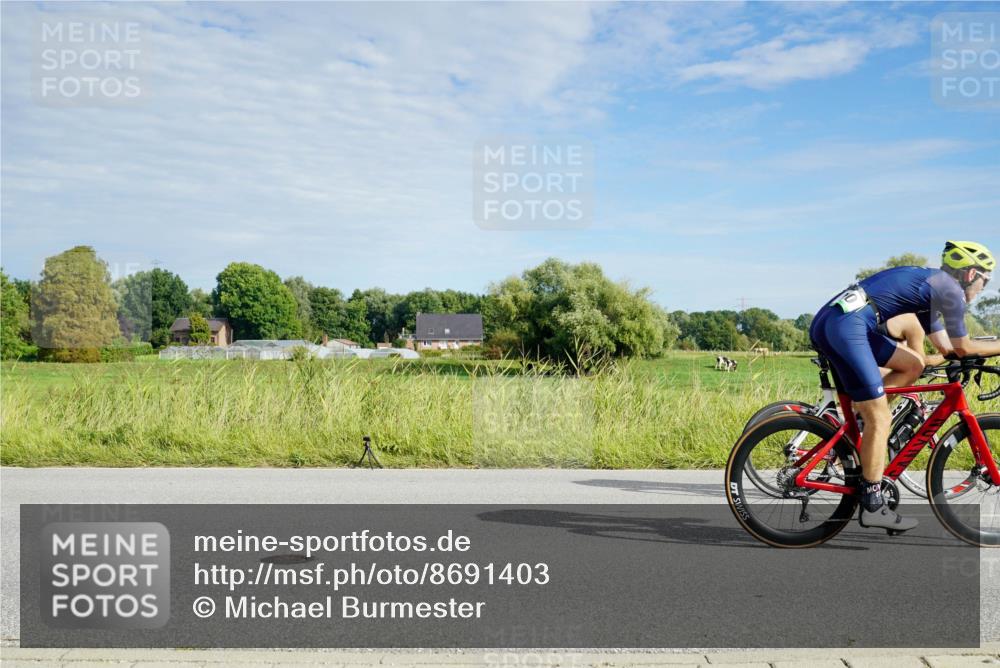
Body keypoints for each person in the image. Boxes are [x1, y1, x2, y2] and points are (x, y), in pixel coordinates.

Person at [809, 240, 998, 532]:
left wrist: (971, 354)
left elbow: (946, 348)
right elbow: (963, 347)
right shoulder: (950, 291)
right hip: (849, 325)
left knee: (913, 365)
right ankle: (872, 502)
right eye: (985, 280)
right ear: (971, 274)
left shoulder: (934, 287)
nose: (983, 288)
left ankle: (861, 420)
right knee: (880, 417)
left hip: (839, 320)